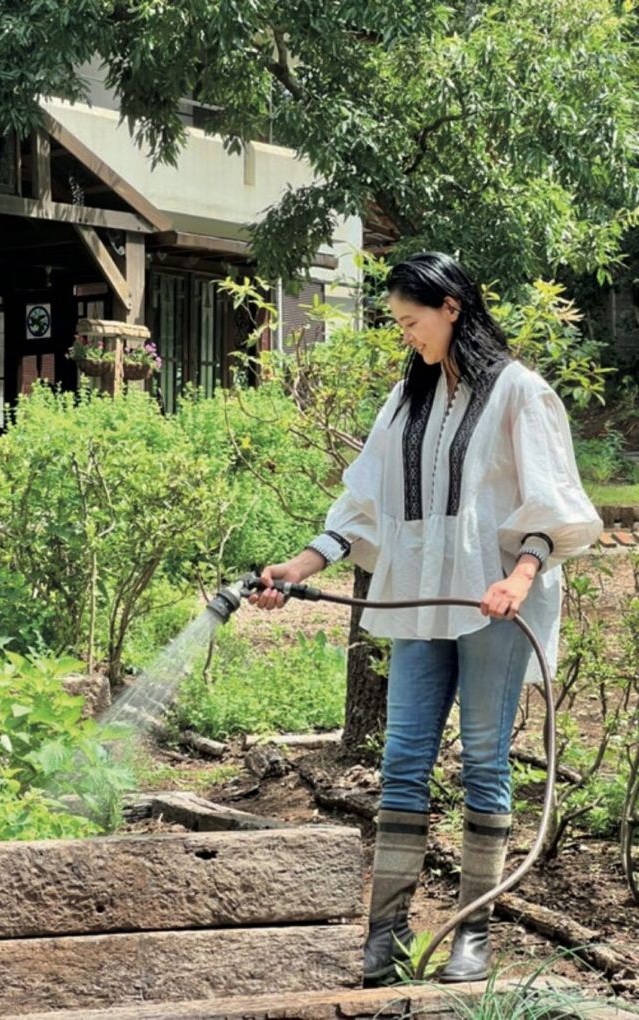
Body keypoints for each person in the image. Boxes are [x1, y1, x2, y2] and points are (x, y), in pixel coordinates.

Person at [248, 252, 603, 986]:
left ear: (450, 308)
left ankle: (471, 932)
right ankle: (386, 936)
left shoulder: (518, 392)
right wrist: (297, 568)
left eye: (412, 321)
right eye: (399, 324)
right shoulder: (406, 401)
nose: (406, 335)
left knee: (482, 762)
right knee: (402, 761)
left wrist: (519, 576)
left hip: (496, 607)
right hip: (420, 602)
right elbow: (364, 507)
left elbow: (552, 504)